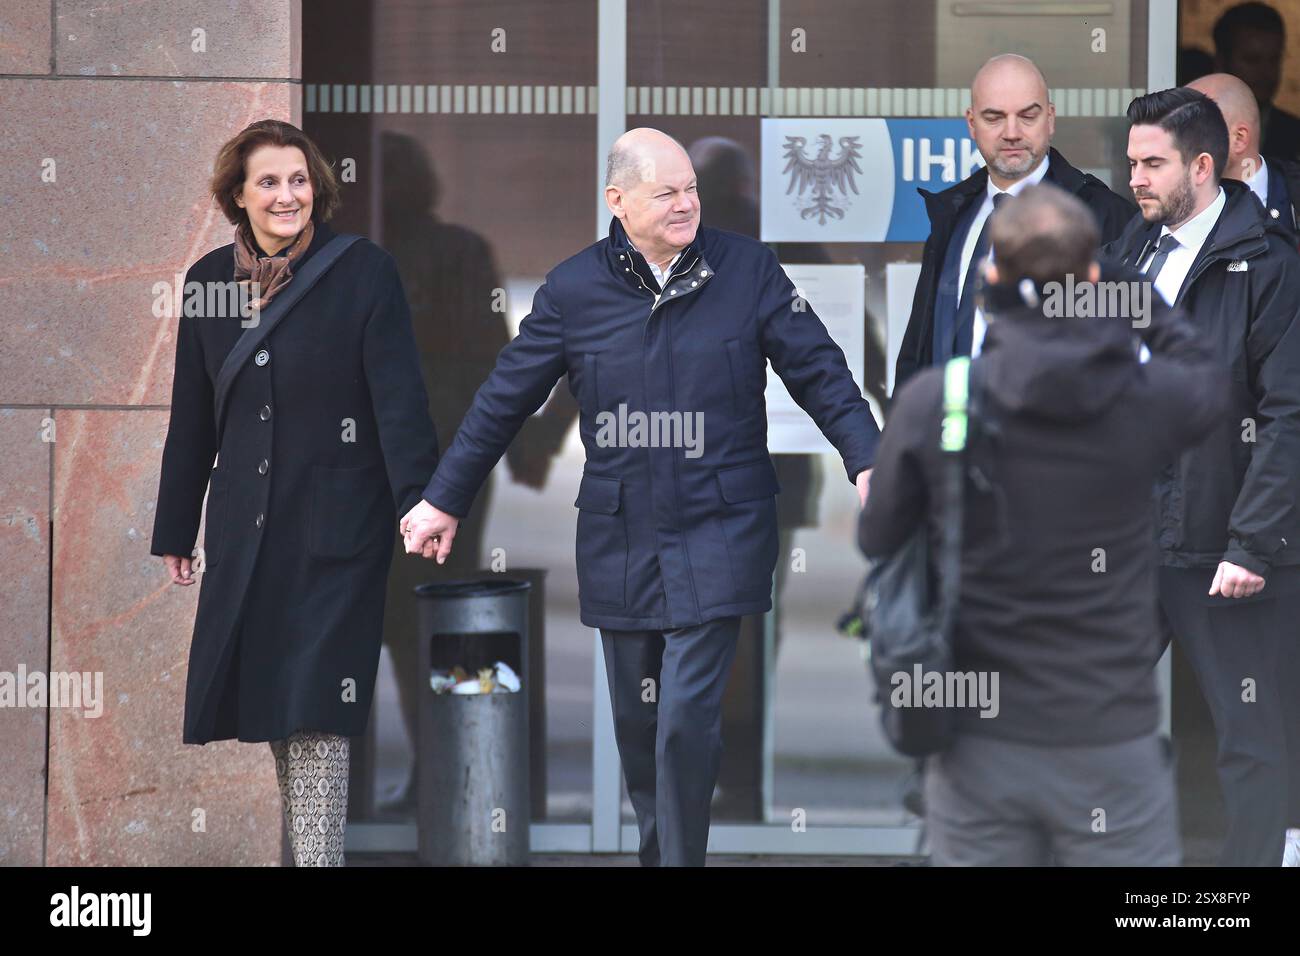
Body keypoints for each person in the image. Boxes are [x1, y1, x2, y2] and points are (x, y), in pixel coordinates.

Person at [403, 127, 879, 866]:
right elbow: (503, 399)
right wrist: (445, 497)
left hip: (723, 526)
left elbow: (819, 369)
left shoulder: (747, 270)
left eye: (692, 189)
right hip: (622, 536)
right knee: (639, 724)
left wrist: (866, 458)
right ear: (617, 201)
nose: (688, 204)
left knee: (688, 716)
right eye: (669, 193)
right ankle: (665, 848)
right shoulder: (573, 291)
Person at [861, 184, 1227, 865]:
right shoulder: (1140, 399)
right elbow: (1206, 371)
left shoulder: (939, 403)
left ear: (991, 275)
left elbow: (877, 538)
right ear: (1089, 278)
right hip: (1110, 745)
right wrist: (1123, 291)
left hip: (977, 750)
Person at [149, 119, 439, 866]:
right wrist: (177, 528)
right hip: (247, 532)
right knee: (278, 703)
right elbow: (193, 414)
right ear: (237, 196)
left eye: (300, 180)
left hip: (339, 530)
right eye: (270, 182)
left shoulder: (362, 272)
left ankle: (317, 862)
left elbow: (399, 399)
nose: (288, 195)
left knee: (316, 707)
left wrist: (421, 500)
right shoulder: (210, 282)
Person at [1103, 87, 1300, 866]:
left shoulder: (1270, 265)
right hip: (1130, 542)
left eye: (1153, 164)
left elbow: (1289, 414)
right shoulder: (1131, 250)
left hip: (1226, 545)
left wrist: (1252, 544)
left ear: (1205, 166)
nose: (1137, 179)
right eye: (1132, 164)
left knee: (1248, 739)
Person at [894, 53, 1135, 389]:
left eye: (1027, 116)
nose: (1011, 132)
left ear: (1050, 119)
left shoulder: (1105, 218)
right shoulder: (952, 215)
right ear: (971, 123)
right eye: (994, 118)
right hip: (953, 434)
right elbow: (919, 350)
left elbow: (1125, 356)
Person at [1188, 72, 1300, 244]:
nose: (1178, 145)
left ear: (1239, 139)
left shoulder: (1292, 194)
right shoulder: (1173, 202)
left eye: (1193, 131)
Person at [1213, 2, 1300, 162]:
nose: (1266, 72)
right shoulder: (1197, 130)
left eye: (1274, 59)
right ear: (1221, 62)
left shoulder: (1295, 135)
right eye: (1252, 60)